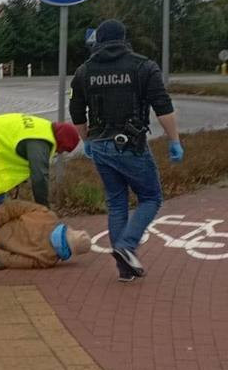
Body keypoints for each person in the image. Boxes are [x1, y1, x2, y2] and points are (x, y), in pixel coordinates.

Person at [70, 18, 182, 283]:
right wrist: (174, 140)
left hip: (99, 145)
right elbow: (163, 106)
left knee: (117, 203)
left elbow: (76, 112)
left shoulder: (84, 71)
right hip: (130, 144)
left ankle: (125, 269)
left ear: (98, 40)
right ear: (123, 39)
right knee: (151, 197)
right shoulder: (144, 66)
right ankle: (127, 246)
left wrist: (86, 140)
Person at [0, 113, 80, 270]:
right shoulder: (41, 142)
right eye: (62, 150)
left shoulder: (41, 128)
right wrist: (44, 209)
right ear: (61, 142)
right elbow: (39, 177)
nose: (59, 153)